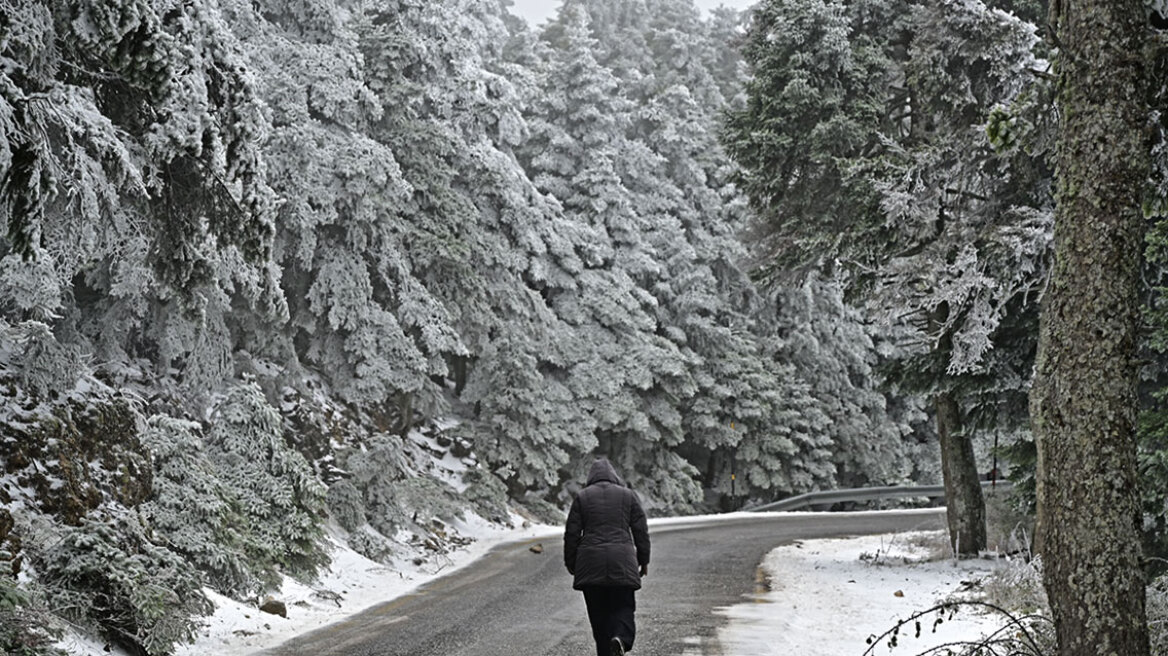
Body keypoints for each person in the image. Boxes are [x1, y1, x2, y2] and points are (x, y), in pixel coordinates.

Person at [563, 458, 651, 656]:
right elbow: (640, 530)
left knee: (598, 618)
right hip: (622, 562)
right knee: (623, 608)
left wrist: (571, 563)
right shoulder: (628, 496)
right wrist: (643, 560)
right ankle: (620, 638)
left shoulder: (582, 497)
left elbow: (572, 534)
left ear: (590, 478)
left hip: (590, 564)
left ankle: (606, 650)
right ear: (614, 477)